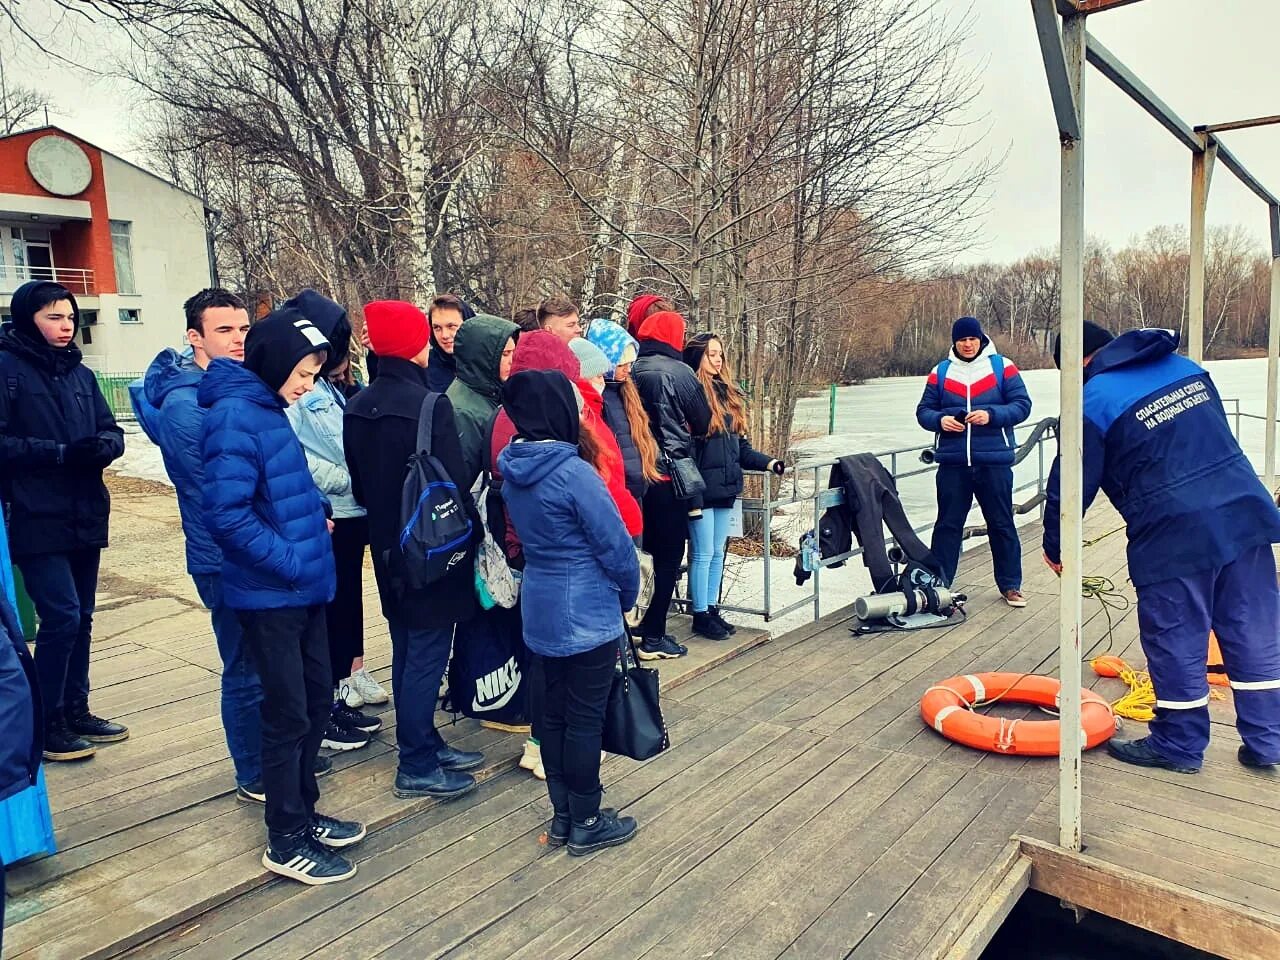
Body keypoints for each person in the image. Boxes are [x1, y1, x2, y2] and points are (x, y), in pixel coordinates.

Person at [1043, 324, 1280, 774]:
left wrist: (1057, 546)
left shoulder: (1093, 400)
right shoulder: (1187, 369)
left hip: (1174, 530)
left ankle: (1178, 745)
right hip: (1244, 512)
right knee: (1253, 629)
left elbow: (1071, 484)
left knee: (1176, 636)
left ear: (1078, 364)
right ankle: (1268, 740)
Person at [200, 308, 363, 885]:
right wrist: (291, 557)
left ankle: (305, 810)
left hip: (304, 588)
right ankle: (284, 835)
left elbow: (282, 485)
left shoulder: (270, 410)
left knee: (317, 699)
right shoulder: (234, 418)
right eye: (302, 373)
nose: (309, 386)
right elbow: (227, 514)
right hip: (272, 594)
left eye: (317, 374)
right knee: (287, 712)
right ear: (273, 363)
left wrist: (314, 512)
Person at [131, 288, 274, 797]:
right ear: (195, 337)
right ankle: (254, 772)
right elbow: (219, 494)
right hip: (222, 555)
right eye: (224, 331)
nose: (238, 340)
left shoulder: (229, 388)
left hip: (251, 547)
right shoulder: (186, 406)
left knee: (265, 660)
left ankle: (270, 754)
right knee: (243, 665)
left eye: (243, 330)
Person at [344, 300, 485, 801]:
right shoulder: (430, 404)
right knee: (426, 653)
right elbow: (454, 482)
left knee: (407, 646)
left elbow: (358, 487)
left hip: (386, 549)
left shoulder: (356, 406)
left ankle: (424, 739)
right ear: (412, 342)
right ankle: (417, 763)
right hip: (431, 547)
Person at [499, 369, 641, 856]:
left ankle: (563, 816)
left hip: (540, 605)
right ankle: (587, 819)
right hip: (586, 610)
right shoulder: (574, 473)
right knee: (584, 720)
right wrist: (627, 595)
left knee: (553, 718)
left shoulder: (515, 469)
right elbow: (616, 545)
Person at [0, 280, 127, 762]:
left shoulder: (80, 373)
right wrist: (59, 454)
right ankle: (46, 718)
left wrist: (103, 448)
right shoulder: (6, 367)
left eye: (70, 317)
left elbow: (110, 429)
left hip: (84, 509)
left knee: (83, 618)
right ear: (29, 318)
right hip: (35, 514)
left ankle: (76, 707)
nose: (65, 326)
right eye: (54, 317)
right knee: (61, 616)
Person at [283, 290, 386, 751]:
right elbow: (298, 456)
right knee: (328, 605)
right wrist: (350, 478)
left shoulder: (324, 383)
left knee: (346, 597)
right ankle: (326, 699)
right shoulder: (295, 389)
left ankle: (344, 680)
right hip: (329, 508)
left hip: (349, 507)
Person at [915, 316, 1032, 606]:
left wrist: (991, 415)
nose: (968, 344)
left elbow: (1022, 406)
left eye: (972, 339)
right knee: (947, 525)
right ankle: (940, 585)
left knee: (1001, 524)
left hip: (994, 462)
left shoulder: (1002, 367)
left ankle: (1010, 585)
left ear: (981, 339)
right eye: (962, 339)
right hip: (953, 463)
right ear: (954, 342)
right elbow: (924, 411)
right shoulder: (941, 372)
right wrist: (941, 421)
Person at [683, 333, 784, 639]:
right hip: (702, 491)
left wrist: (769, 463)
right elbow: (685, 452)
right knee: (701, 554)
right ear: (698, 357)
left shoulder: (728, 394)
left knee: (716, 553)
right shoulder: (693, 395)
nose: (717, 360)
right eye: (711, 354)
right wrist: (693, 497)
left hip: (726, 489)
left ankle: (712, 609)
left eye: (720, 354)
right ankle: (699, 613)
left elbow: (741, 449)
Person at [631, 310, 712, 660]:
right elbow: (704, 420)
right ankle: (655, 634)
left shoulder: (629, 367)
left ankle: (634, 624)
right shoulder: (680, 373)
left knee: (640, 553)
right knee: (668, 557)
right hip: (669, 476)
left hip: (637, 473)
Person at [569, 337, 644, 538]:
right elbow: (602, 473)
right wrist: (630, 515)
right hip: (615, 516)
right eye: (599, 375)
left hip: (621, 504)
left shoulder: (595, 410)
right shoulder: (585, 418)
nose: (603, 381)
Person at [586, 318, 662, 510]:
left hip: (636, 485)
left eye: (630, 363)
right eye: (621, 365)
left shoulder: (627, 390)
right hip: (616, 489)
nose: (628, 370)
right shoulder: (598, 396)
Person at [445, 314, 520, 491]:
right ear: (482, 359)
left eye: (514, 352)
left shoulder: (491, 391)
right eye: (505, 354)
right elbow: (463, 482)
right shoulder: (462, 412)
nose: (512, 360)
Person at [424, 293, 476, 394]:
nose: (444, 335)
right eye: (437, 328)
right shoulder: (425, 368)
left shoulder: (487, 363)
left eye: (451, 326)